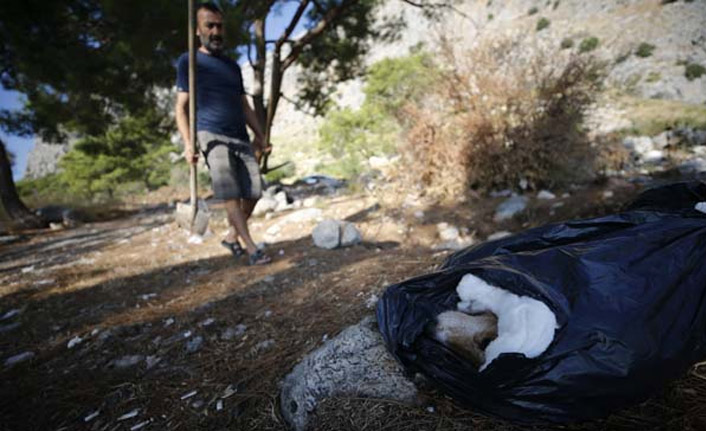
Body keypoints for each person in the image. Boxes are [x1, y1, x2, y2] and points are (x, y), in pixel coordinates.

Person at [175, 2, 271, 265]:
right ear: (198, 30)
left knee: (254, 191)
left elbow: (244, 105)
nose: (216, 31)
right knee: (230, 192)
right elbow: (181, 108)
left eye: (219, 25)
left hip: (239, 135)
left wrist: (260, 135)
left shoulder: (232, 66)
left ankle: (231, 236)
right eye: (210, 25)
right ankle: (252, 248)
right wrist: (187, 143)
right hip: (211, 135)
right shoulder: (189, 62)